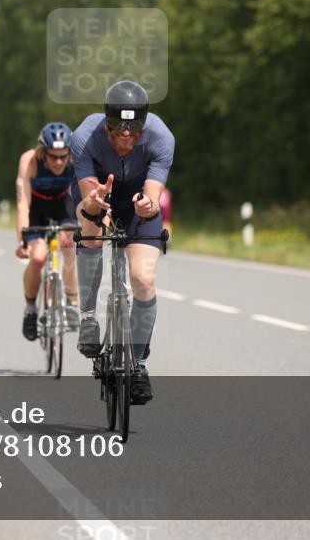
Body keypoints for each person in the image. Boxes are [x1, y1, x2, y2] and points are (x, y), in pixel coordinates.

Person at [71, 81, 174, 405]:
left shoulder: (161, 138)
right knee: (89, 228)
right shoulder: (84, 137)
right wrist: (94, 202)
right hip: (99, 198)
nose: (126, 136)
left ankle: (139, 363)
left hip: (138, 204)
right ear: (107, 123)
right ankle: (88, 318)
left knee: (143, 280)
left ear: (143, 125)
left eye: (134, 130)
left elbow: (154, 199)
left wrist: (148, 206)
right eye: (118, 129)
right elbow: (89, 200)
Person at [15, 122, 79, 341]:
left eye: (64, 156)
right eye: (53, 156)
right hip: (37, 210)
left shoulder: (77, 159)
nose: (59, 161)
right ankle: (31, 310)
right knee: (38, 258)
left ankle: (71, 300)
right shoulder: (30, 160)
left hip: (64, 206)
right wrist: (22, 240)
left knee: (69, 245)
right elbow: (23, 202)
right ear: (43, 152)